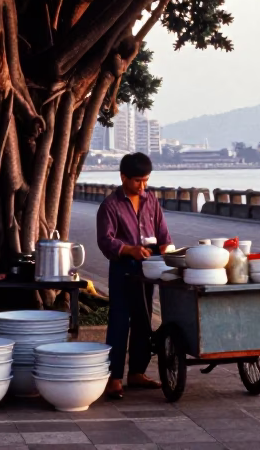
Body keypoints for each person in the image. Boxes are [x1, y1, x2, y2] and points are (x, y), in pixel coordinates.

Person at [96, 152, 171, 400]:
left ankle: (137, 372)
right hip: (123, 269)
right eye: (137, 181)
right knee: (119, 322)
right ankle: (114, 377)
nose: (142, 186)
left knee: (144, 319)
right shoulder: (110, 205)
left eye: (146, 180)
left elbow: (162, 234)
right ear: (123, 177)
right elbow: (105, 241)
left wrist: (168, 252)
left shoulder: (152, 201)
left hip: (148, 269)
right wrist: (128, 249)